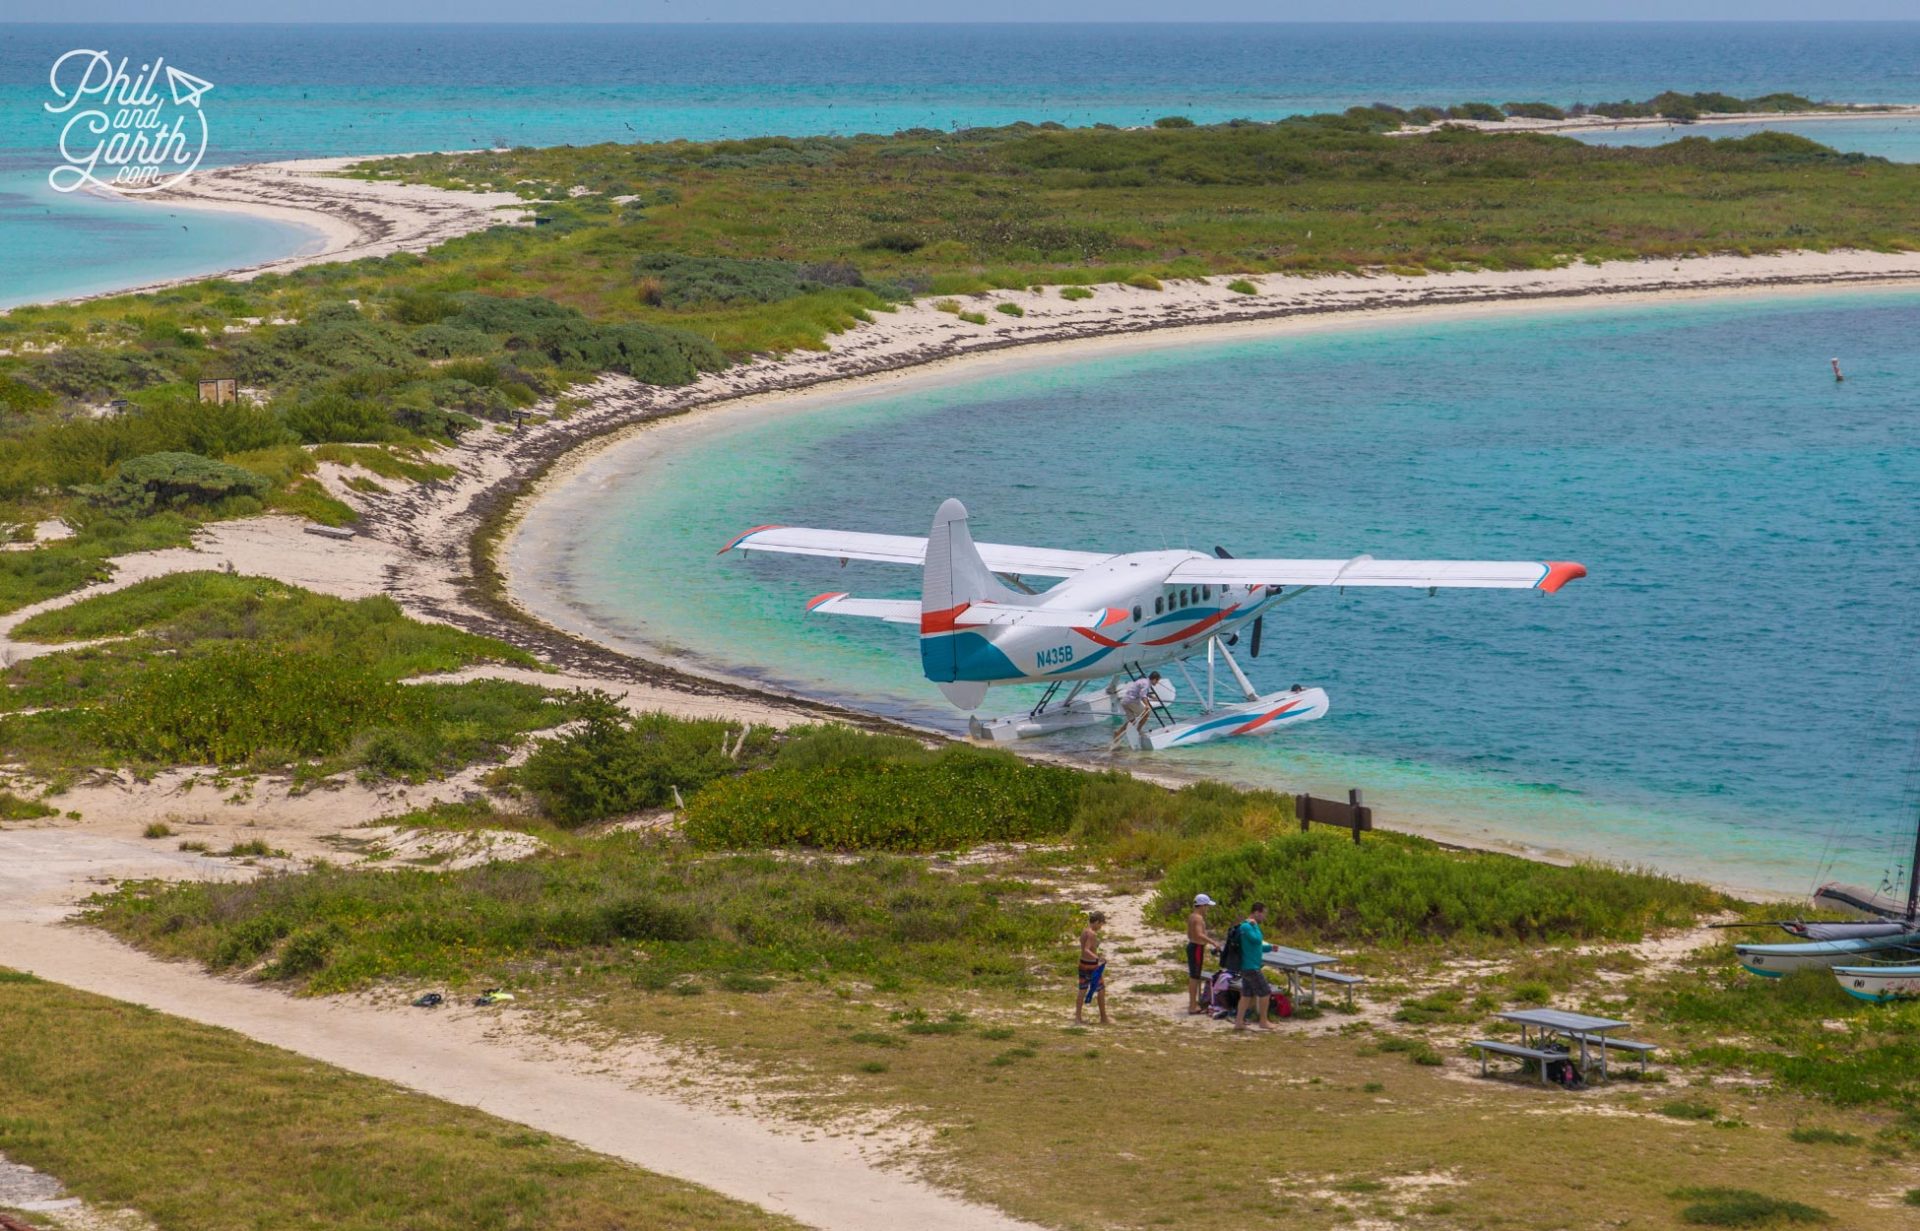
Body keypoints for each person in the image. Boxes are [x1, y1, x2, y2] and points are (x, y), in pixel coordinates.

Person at [1232, 903, 1275, 1033]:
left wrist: (1269, 948)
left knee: (1246, 995)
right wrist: (1255, 926)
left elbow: (1255, 946)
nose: (1264, 917)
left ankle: (1238, 1022)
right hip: (1251, 967)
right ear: (1256, 912)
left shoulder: (1249, 926)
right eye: (1263, 913)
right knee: (1265, 992)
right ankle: (1263, 1021)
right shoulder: (1247, 926)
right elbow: (1257, 939)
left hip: (1249, 966)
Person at [1108, 671, 1162, 750]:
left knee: (1132, 721)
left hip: (1125, 701)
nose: (1157, 683)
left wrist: (1151, 696)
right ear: (1154, 679)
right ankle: (1138, 730)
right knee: (1146, 713)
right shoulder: (1147, 684)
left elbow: (1140, 691)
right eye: (1157, 681)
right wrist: (1147, 705)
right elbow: (1143, 695)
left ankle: (1118, 732)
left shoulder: (1143, 681)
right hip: (1132, 701)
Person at [1185, 893, 1218, 1015]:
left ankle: (1193, 1004)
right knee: (1195, 976)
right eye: (1207, 906)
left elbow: (1190, 933)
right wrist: (1213, 942)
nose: (1207, 909)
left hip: (1192, 946)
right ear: (1202, 905)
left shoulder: (1192, 916)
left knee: (1194, 976)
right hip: (1196, 947)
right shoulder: (1198, 918)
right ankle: (1192, 1006)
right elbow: (1199, 934)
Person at [1076, 911, 1109, 1024]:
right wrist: (1098, 958)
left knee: (1082, 989)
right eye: (1100, 924)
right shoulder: (1092, 934)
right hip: (1092, 965)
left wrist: (1097, 955)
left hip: (1082, 963)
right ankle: (1103, 1018)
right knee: (1101, 989)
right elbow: (1087, 949)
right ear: (1096, 922)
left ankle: (1078, 1018)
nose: (1101, 927)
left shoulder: (1084, 931)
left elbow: (1086, 950)